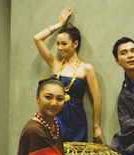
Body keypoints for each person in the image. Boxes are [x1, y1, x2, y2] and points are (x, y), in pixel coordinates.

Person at [34, 8, 103, 143]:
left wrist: (96, 127)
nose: (60, 48)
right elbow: (37, 38)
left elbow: (97, 99)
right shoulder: (55, 64)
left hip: (77, 116)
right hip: (55, 114)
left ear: (75, 44)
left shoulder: (86, 68)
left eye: (64, 44)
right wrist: (59, 24)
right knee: (56, 153)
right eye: (58, 44)